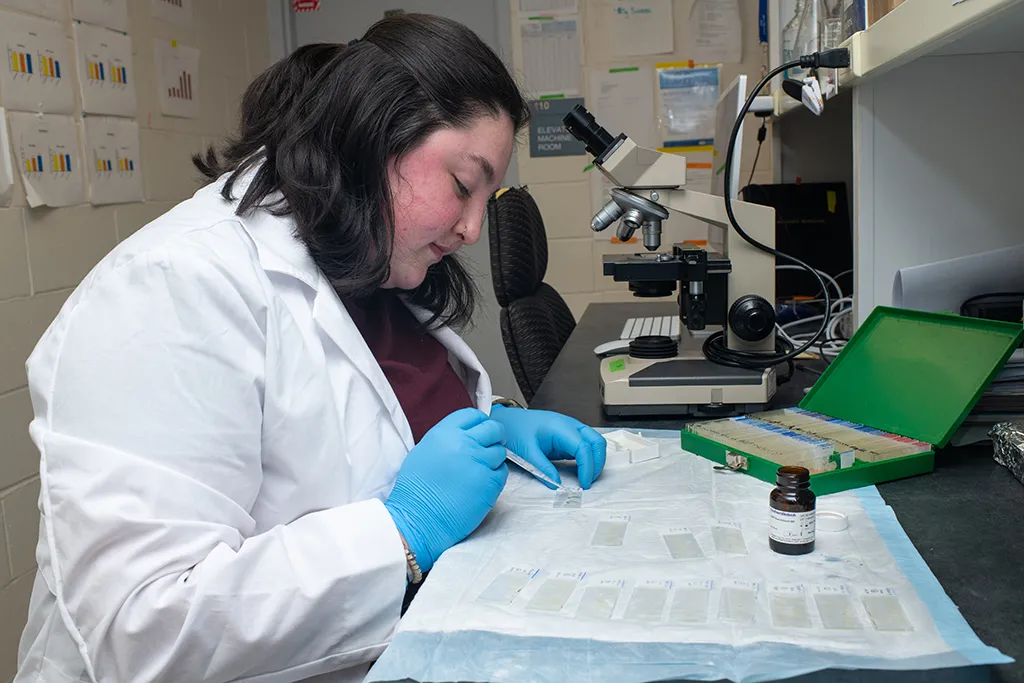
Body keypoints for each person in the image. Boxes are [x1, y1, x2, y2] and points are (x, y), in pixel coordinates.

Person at [14, 14, 606, 683]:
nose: (473, 227)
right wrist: (401, 534)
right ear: (378, 132)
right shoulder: (169, 288)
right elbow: (142, 631)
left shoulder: (365, 258)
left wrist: (489, 419)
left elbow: (365, 415)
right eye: (464, 186)